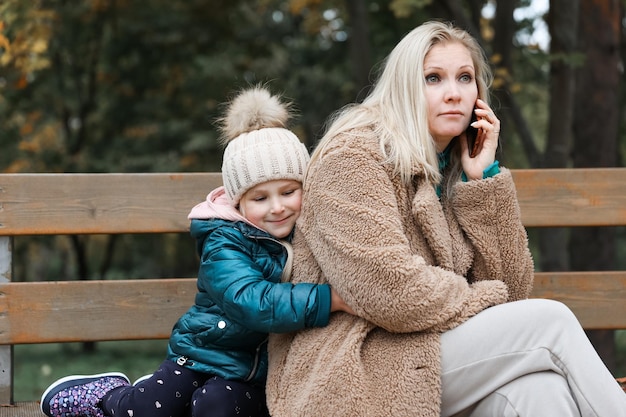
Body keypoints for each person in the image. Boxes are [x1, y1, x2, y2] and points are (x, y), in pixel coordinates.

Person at [266, 20, 626, 417]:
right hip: (357, 366)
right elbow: (390, 290)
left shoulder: (453, 167)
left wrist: (483, 181)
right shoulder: (351, 159)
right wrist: (485, 299)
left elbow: (514, 289)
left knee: (539, 390)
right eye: (433, 78)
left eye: (465, 78)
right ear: (404, 86)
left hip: (430, 354)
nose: (454, 94)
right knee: (552, 322)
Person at [40, 86, 353, 417]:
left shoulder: (312, 234)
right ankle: (110, 397)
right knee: (147, 409)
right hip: (201, 355)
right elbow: (248, 300)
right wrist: (329, 299)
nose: (277, 207)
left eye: (289, 191)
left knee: (213, 406)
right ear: (239, 203)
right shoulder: (224, 240)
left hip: (254, 377)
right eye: (260, 198)